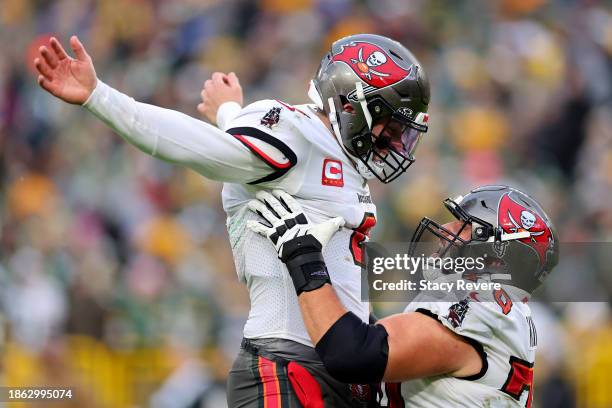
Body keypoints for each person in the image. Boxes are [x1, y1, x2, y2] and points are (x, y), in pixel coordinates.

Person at [34, 33, 430, 406]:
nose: (394, 140)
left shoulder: (336, 157)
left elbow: (261, 164)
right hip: (287, 368)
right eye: (389, 124)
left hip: (335, 369)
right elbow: (203, 149)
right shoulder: (297, 130)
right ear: (347, 103)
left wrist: (228, 112)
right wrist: (98, 96)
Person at [246, 186, 559, 407]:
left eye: (466, 226)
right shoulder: (499, 312)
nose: (448, 227)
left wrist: (303, 256)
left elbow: (353, 355)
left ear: (496, 258)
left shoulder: (479, 305)